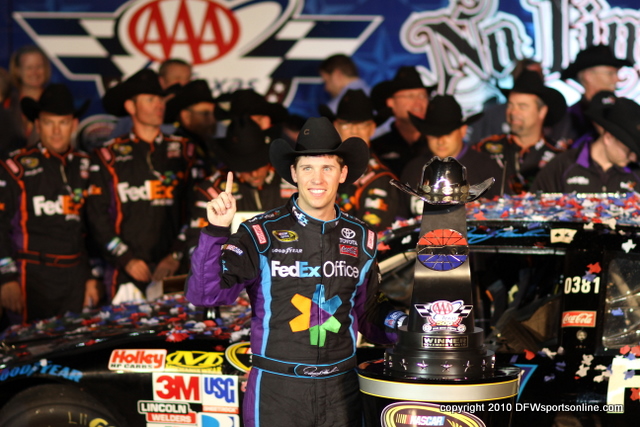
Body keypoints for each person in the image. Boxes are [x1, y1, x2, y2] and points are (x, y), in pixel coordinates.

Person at [185, 117, 404, 427]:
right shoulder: (259, 233)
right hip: (277, 391)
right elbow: (205, 295)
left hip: (342, 392)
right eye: (307, 168)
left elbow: (369, 316)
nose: (317, 179)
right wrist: (216, 229)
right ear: (293, 174)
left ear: (342, 173)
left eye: (327, 168)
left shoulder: (362, 237)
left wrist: (410, 325)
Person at [88, 68, 196, 302]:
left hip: (174, 268)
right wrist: (126, 258)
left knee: (180, 334)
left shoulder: (185, 151)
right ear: (130, 107)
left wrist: (176, 254)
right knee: (130, 337)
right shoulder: (108, 154)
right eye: (150, 99)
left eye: (160, 99)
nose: (159, 105)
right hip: (127, 271)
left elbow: (198, 210)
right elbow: (97, 218)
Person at [0, 84, 99, 324]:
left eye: (63, 122)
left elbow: (91, 229)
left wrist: (89, 276)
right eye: (48, 122)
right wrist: (6, 278)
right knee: (25, 353)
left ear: (74, 125)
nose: (56, 131)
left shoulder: (87, 166)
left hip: (74, 278)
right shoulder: (16, 167)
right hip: (30, 277)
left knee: (74, 352)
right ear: (37, 124)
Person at [184, 116, 294, 255]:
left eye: (259, 164)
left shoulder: (292, 181)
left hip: (287, 270)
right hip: (233, 272)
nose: (254, 174)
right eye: (245, 168)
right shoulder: (213, 190)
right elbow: (196, 247)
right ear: (233, 163)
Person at [400, 95, 503, 217]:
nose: (440, 141)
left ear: (463, 131)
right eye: (433, 134)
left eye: (447, 133)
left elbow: (506, 214)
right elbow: (400, 219)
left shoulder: (487, 168)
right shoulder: (413, 169)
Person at [474, 70, 567, 194]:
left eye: (522, 106)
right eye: (510, 105)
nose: (513, 112)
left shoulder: (559, 157)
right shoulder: (485, 149)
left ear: (542, 112)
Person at [321, 89, 399, 231]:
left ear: (372, 128)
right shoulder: (320, 168)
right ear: (336, 126)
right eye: (347, 124)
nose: (354, 131)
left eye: (361, 124)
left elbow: (368, 235)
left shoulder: (380, 178)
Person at [531, 94, 640, 193]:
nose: (633, 158)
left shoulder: (636, 173)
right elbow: (533, 205)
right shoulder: (562, 165)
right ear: (608, 138)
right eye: (629, 150)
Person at [560, 44, 632, 143]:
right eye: (610, 73)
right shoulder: (571, 118)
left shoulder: (625, 112)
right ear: (588, 76)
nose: (618, 79)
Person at [108, 59, 191, 139]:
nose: (183, 84)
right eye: (177, 78)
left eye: (188, 79)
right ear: (160, 80)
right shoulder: (136, 113)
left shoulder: (193, 109)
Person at [370, 66, 430, 177]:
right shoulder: (377, 148)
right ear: (391, 103)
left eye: (422, 96)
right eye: (410, 96)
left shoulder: (439, 145)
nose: (418, 102)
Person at [165, 79, 219, 177]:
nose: (212, 119)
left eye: (214, 113)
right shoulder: (175, 147)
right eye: (205, 114)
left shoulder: (210, 144)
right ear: (186, 116)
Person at [7, 45, 52, 146]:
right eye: (29, 67)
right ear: (17, 71)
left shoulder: (56, 100)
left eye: (39, 66)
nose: (35, 72)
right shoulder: (7, 102)